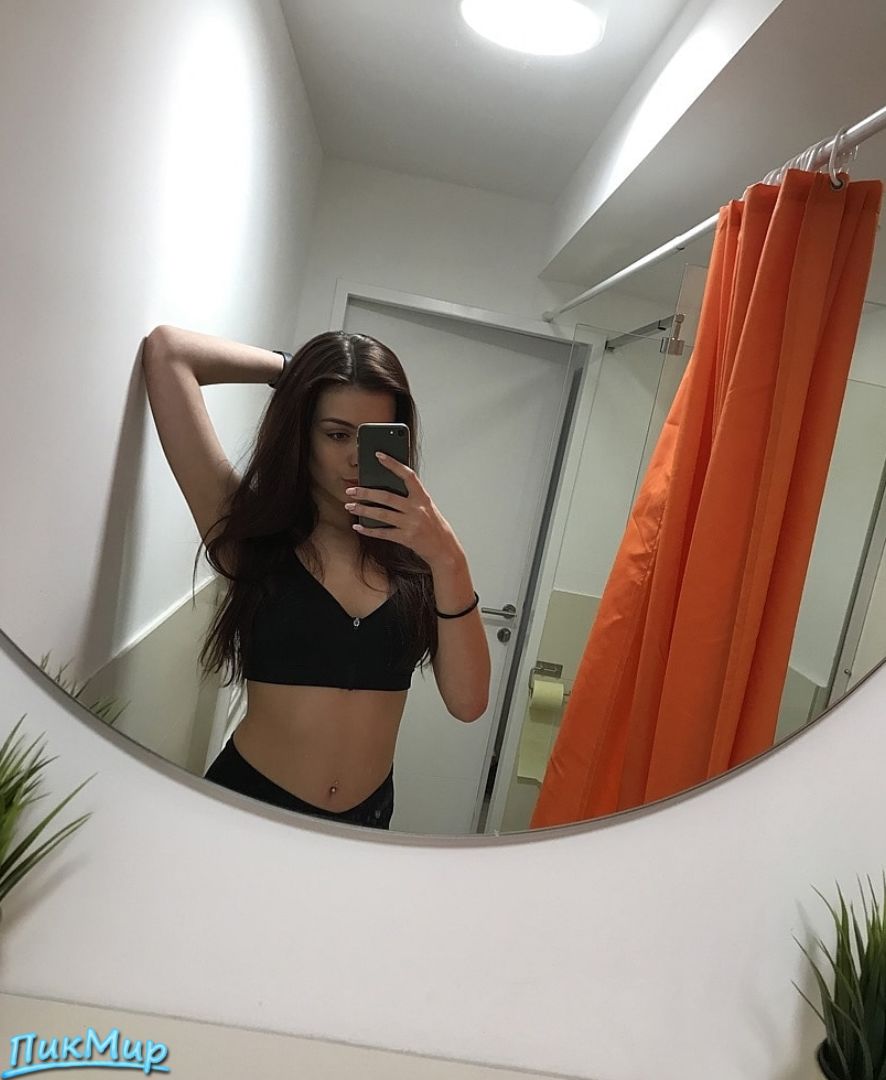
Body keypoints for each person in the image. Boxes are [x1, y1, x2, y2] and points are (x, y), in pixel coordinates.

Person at [141, 326, 491, 829]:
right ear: (301, 432)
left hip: (364, 826)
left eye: (373, 437)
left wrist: (449, 559)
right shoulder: (251, 538)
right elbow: (169, 353)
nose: (355, 457)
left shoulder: (420, 560)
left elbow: (468, 703)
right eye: (336, 434)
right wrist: (293, 370)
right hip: (245, 811)